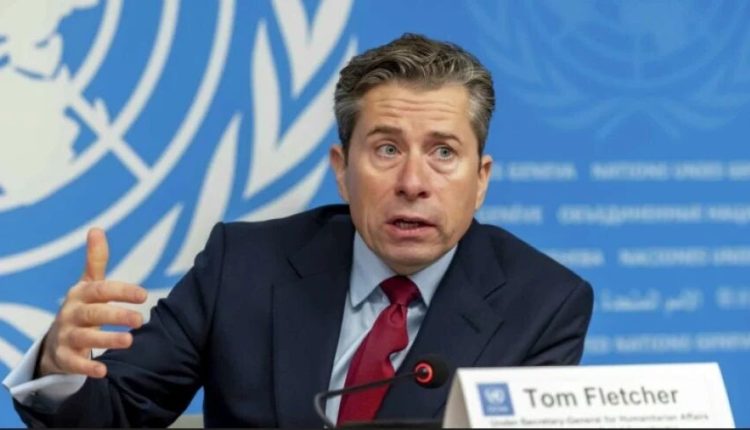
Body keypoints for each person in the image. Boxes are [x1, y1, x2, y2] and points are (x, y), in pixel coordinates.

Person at [3, 33, 593, 427]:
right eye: (387, 149)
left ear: (480, 179)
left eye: (443, 152)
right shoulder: (242, 265)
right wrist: (59, 367)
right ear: (342, 170)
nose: (414, 182)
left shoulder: (543, 303)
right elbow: (114, 414)